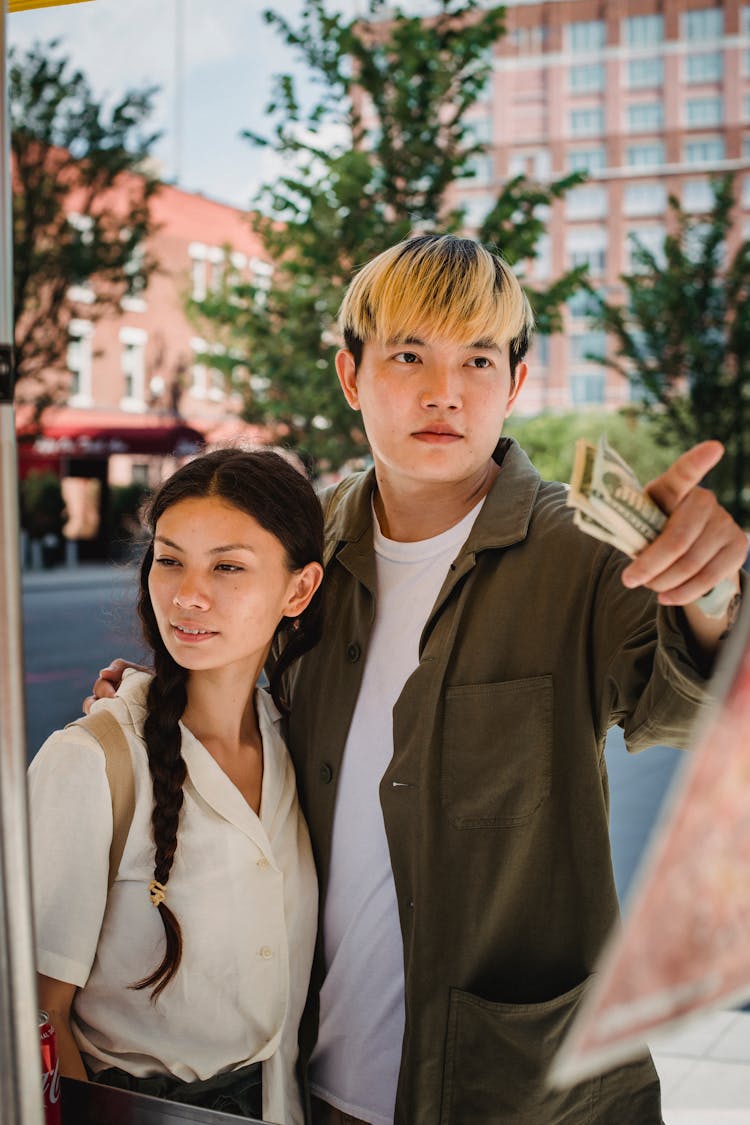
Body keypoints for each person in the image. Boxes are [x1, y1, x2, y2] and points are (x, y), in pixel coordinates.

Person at [89, 235, 747, 1125]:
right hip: (308, 1080)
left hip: (520, 1092)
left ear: (514, 385)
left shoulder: (580, 551)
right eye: (409, 354)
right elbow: (242, 709)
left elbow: (701, 714)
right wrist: (158, 697)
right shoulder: (305, 547)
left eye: (478, 358)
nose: (445, 391)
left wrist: (708, 595)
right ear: (351, 375)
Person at [31, 448, 324, 1125]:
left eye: (227, 566)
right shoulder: (89, 763)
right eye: (169, 559)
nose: (189, 593)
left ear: (298, 589)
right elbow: (35, 1014)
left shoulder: (297, 743)